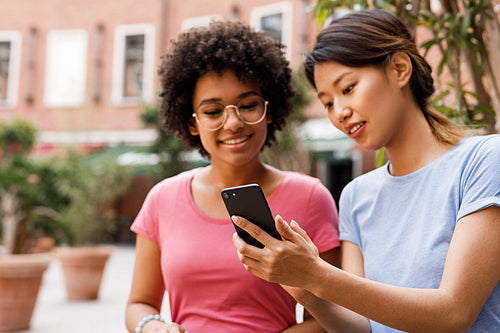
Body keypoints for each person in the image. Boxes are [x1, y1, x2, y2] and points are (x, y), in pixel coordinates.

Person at [232, 9, 500, 333]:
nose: (340, 113)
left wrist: (317, 274)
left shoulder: (484, 160)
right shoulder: (356, 196)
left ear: (400, 69)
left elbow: (453, 313)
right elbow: (362, 329)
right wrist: (306, 290)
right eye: (328, 103)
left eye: (347, 89)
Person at [125, 21, 341, 333]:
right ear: (192, 123)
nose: (233, 122)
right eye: (213, 112)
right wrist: (152, 327)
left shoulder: (309, 197)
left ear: (268, 109)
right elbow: (139, 303)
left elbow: (330, 319)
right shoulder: (162, 198)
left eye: (248, 105)